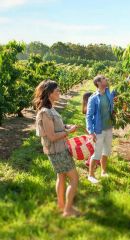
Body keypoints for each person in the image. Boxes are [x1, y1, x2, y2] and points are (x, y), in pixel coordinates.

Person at [34, 79, 80, 217]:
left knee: (61, 176)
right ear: (49, 94)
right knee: (74, 179)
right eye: (57, 91)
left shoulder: (50, 109)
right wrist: (68, 132)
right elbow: (52, 136)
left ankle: (61, 206)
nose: (60, 92)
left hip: (58, 149)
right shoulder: (45, 112)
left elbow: (55, 128)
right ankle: (67, 210)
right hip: (57, 150)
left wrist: (66, 126)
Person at [86, 75, 115, 184]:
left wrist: (127, 82)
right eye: (104, 79)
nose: (106, 80)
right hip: (98, 129)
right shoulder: (93, 98)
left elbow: (115, 93)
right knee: (97, 153)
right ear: (98, 82)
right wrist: (91, 132)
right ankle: (91, 175)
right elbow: (88, 116)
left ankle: (103, 171)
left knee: (106, 150)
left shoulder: (108, 92)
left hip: (108, 128)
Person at [82, 92, 100, 167]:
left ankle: (95, 160)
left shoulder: (87, 107)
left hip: (90, 129)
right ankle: (90, 162)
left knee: (94, 145)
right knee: (95, 146)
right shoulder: (90, 108)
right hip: (93, 129)